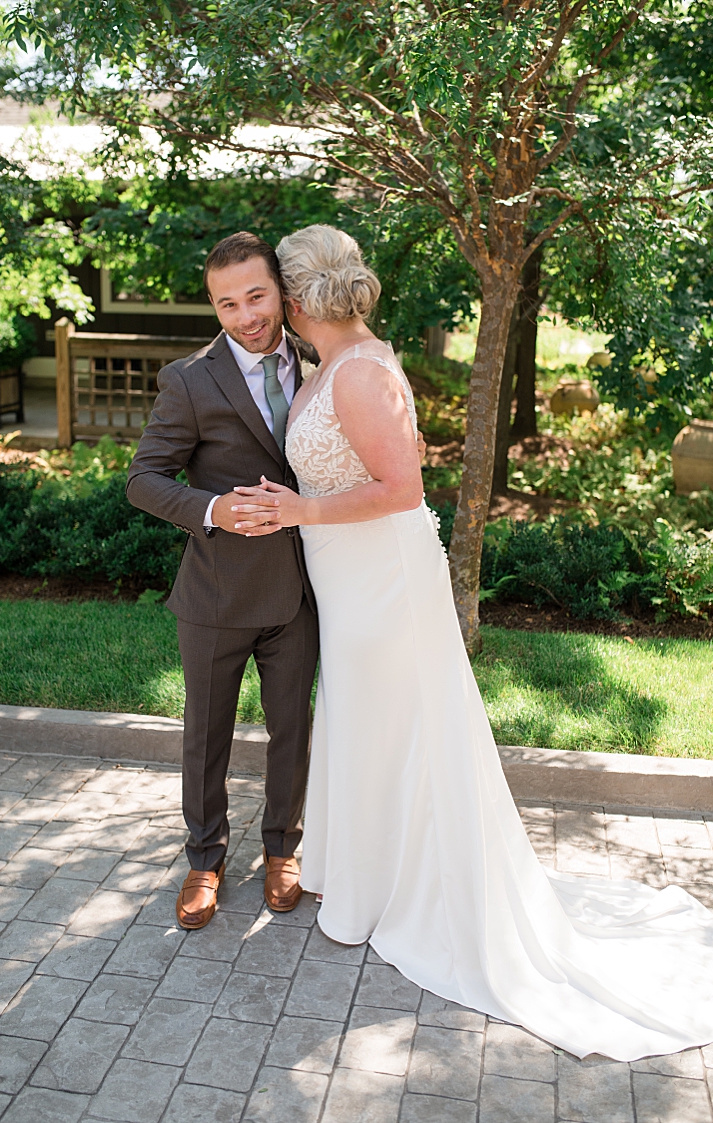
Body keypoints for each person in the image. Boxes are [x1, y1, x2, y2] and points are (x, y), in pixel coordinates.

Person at [233, 223, 713, 1060]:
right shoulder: (334, 364)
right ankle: (366, 877)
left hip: (385, 580)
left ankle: (408, 889)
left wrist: (299, 508)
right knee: (367, 722)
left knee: (398, 727)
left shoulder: (360, 372)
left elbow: (401, 485)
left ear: (304, 297)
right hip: (351, 583)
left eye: (278, 289)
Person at [126, 231, 320, 928]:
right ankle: (204, 859)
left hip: (300, 589)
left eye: (256, 296)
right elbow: (143, 479)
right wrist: (212, 509)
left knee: (291, 727)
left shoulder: (318, 359)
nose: (245, 315)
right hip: (214, 591)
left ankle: (282, 849)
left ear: (279, 289)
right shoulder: (189, 378)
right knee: (205, 733)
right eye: (227, 303)